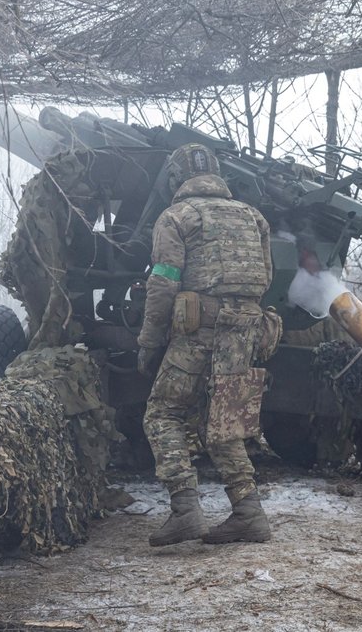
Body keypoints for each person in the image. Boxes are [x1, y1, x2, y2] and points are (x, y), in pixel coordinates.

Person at [137, 143, 276, 546]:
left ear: (176, 179)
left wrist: (148, 341)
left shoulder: (176, 217)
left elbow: (163, 282)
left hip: (200, 332)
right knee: (225, 422)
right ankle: (249, 512)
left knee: (162, 414)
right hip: (245, 332)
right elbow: (265, 279)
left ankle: (185, 511)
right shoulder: (254, 218)